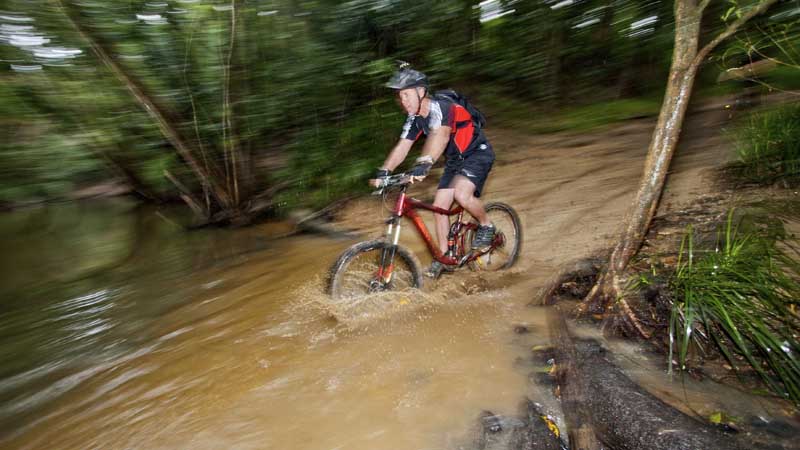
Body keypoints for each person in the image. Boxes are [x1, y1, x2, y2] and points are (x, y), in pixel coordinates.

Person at [369, 64, 496, 278]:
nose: (403, 101)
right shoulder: (414, 119)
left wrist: (424, 163)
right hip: (455, 161)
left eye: (407, 95)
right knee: (439, 208)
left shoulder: (442, 107)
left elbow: (441, 135)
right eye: (400, 97)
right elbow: (402, 146)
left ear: (421, 92)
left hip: (477, 153)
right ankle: (446, 257)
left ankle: (486, 225)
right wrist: (384, 171)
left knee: (462, 194)